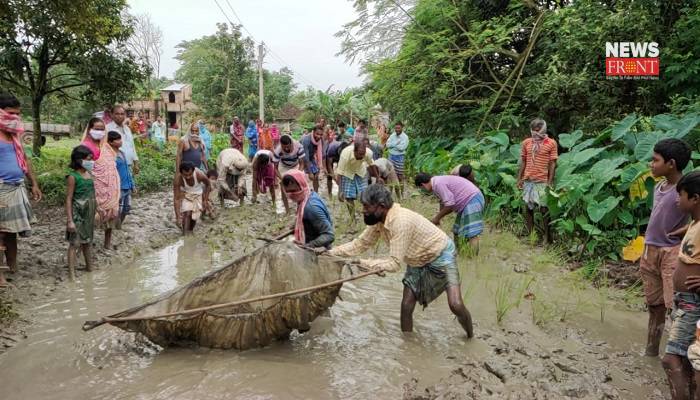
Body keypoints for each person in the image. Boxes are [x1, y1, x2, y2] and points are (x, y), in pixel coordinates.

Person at [328, 184, 474, 337]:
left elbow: (394, 264)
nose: (363, 210)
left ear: (381, 207)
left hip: (441, 255)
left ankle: (471, 338)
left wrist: (362, 263)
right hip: (416, 259)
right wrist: (330, 253)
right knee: (406, 305)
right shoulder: (380, 221)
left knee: (456, 304)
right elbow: (360, 244)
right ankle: (408, 347)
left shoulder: (400, 222)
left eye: (366, 206)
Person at [638, 139, 691, 357]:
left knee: (675, 308)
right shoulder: (660, 186)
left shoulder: (686, 190)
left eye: (655, 160)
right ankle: (651, 352)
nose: (651, 164)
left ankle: (678, 359)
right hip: (651, 249)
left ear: (671, 163)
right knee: (654, 304)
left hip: (671, 253)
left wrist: (685, 230)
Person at [662, 171, 700, 399]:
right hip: (684, 300)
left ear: (695, 198)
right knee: (687, 358)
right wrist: (682, 232)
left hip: (692, 302)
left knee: (671, 359)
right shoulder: (695, 222)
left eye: (681, 195)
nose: (677, 199)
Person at [0, 93, 42, 285]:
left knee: (12, 232)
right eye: (10, 113)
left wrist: (33, 183)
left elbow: (24, 159)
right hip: (2, 189)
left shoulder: (14, 135)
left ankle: (12, 266)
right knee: (1, 232)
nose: (14, 118)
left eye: (17, 114)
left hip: (17, 186)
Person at [415, 173, 485, 252]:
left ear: (423, 185)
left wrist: (437, 218)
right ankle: (457, 252)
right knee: (457, 231)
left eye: (421, 188)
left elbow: (450, 205)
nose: (422, 190)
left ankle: (473, 259)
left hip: (471, 199)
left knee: (472, 233)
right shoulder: (436, 183)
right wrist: (439, 218)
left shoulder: (438, 184)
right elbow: (443, 202)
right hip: (465, 203)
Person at [516, 118, 557, 243]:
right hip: (528, 180)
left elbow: (552, 163)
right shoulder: (527, 143)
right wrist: (519, 178)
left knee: (544, 209)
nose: (535, 133)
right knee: (528, 208)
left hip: (542, 181)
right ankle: (531, 236)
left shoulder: (551, 143)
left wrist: (549, 181)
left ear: (543, 129)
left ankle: (548, 238)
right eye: (533, 130)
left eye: (538, 130)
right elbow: (523, 161)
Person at [83, 120, 120, 249]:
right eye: (96, 128)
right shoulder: (85, 147)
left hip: (111, 188)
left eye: (102, 129)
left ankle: (107, 244)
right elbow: (85, 170)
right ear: (89, 129)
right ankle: (85, 244)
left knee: (111, 214)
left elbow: (112, 164)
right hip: (95, 187)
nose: (99, 132)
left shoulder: (106, 146)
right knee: (92, 216)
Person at [282, 169, 334, 249]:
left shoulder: (311, 207)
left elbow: (329, 235)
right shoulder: (306, 196)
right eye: (288, 192)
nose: (291, 195)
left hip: (319, 251)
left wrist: (309, 245)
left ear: (301, 185)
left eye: (293, 191)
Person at [65, 145, 96, 279]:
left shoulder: (89, 174)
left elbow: (93, 194)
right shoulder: (73, 177)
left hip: (89, 210)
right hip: (78, 211)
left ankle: (90, 269)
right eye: (88, 159)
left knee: (87, 241)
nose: (91, 162)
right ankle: (72, 274)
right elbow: (68, 199)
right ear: (79, 160)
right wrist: (70, 220)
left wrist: (98, 211)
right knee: (75, 243)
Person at [334, 141, 381, 226]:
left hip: (361, 172)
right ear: (354, 151)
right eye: (359, 154)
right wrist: (340, 191)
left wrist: (377, 177)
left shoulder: (368, 153)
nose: (361, 156)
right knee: (349, 197)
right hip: (347, 173)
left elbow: (371, 164)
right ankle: (353, 219)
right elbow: (340, 172)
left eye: (363, 154)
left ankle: (368, 217)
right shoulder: (345, 154)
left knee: (365, 196)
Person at [173, 161, 211, 235]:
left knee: (194, 217)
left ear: (193, 171)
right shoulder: (178, 179)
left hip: (198, 194)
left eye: (190, 174)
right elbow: (176, 199)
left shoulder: (199, 174)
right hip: (186, 194)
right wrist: (177, 217)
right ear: (181, 173)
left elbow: (208, 185)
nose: (188, 177)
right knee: (187, 213)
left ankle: (190, 231)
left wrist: (205, 200)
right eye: (185, 175)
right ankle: (184, 234)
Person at [108, 131, 135, 227]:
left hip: (126, 185)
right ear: (110, 142)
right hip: (117, 187)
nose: (120, 141)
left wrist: (132, 184)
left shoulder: (122, 153)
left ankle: (118, 225)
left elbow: (127, 170)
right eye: (117, 139)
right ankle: (114, 226)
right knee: (116, 208)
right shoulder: (109, 156)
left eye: (120, 139)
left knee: (126, 208)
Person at [273, 134, 306, 213]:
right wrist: (282, 179)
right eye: (285, 147)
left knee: (300, 184)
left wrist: (298, 175)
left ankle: (299, 208)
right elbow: (275, 168)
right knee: (283, 186)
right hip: (283, 166)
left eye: (288, 146)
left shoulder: (299, 147)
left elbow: (302, 164)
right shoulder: (278, 150)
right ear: (281, 145)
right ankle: (287, 210)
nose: (287, 148)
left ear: (291, 143)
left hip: (296, 164)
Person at [106, 105, 140, 175]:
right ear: (111, 115)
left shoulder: (127, 129)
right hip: (115, 166)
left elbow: (132, 145)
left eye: (122, 114)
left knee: (129, 185)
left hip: (129, 165)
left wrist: (136, 162)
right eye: (117, 114)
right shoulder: (107, 129)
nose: (120, 116)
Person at [386, 121, 409, 198]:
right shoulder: (392, 135)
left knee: (400, 176)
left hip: (399, 158)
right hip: (391, 156)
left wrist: (393, 145)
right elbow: (387, 145)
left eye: (399, 128)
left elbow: (402, 148)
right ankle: (390, 194)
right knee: (390, 176)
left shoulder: (405, 137)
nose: (397, 129)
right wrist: (396, 144)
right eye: (396, 128)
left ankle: (401, 194)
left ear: (402, 128)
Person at [300, 126, 324, 193]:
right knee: (302, 177)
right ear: (313, 132)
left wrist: (319, 168)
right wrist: (310, 172)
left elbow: (321, 154)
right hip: (301, 158)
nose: (319, 136)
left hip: (311, 157)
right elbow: (306, 157)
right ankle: (303, 194)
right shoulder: (306, 140)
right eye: (317, 134)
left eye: (321, 134)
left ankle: (316, 194)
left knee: (316, 175)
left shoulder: (320, 140)